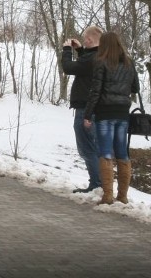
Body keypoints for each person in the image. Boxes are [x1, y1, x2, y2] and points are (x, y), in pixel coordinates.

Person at [83, 31, 139, 205]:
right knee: (123, 154)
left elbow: (96, 91)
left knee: (105, 153)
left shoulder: (101, 63)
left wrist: (87, 114)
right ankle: (122, 196)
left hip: (105, 113)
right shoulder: (130, 63)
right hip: (123, 113)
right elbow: (135, 88)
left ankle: (107, 195)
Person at [61, 25, 103, 194]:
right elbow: (86, 65)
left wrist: (66, 50)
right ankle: (100, 183)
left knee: (86, 148)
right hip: (98, 107)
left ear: (90, 40)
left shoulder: (91, 58)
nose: (84, 41)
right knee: (96, 146)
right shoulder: (101, 56)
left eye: (86, 39)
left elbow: (68, 68)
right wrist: (80, 50)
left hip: (86, 107)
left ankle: (97, 184)